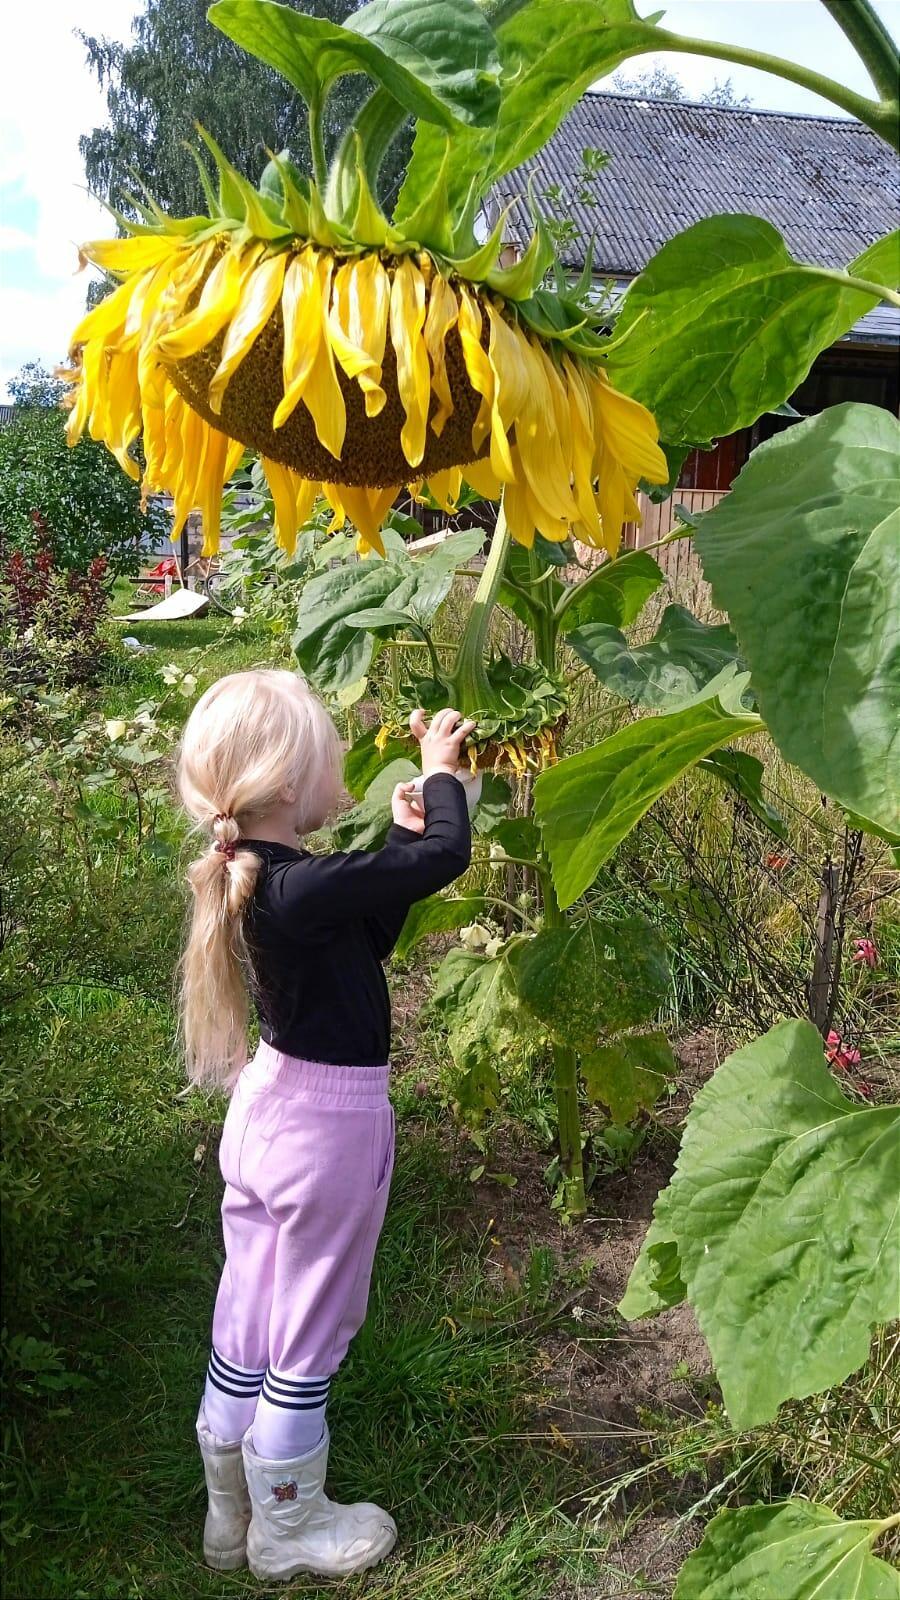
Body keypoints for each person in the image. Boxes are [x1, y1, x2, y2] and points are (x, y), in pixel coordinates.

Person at [176, 670, 474, 1582]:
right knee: (309, 1326)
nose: (343, 756)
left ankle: (230, 1515)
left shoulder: (270, 883)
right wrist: (444, 775)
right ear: (290, 780)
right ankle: (288, 1529)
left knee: (252, 1307)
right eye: (330, 747)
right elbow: (442, 865)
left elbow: (371, 926)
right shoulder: (296, 887)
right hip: (325, 1132)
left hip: (269, 1111)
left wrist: (401, 826)